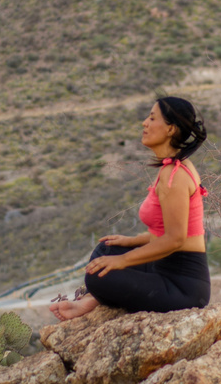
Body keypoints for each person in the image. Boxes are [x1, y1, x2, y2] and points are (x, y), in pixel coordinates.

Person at [49, 96, 209, 321]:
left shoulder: (176, 176)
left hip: (183, 287)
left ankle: (89, 301)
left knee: (98, 276)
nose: (145, 123)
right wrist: (130, 241)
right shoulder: (172, 168)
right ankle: (93, 300)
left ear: (170, 129)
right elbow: (166, 232)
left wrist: (123, 260)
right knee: (106, 251)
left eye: (152, 118)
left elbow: (175, 239)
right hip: (164, 267)